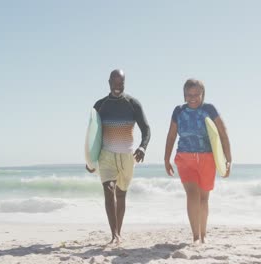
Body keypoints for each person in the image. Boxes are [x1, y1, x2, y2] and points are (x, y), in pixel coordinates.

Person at [86, 69, 150, 244]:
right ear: (108, 82)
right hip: (106, 155)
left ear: (124, 83)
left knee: (121, 194)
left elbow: (146, 129)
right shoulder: (100, 105)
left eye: (120, 83)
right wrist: (90, 159)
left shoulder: (132, 103)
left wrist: (143, 147)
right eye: (114, 83)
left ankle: (118, 233)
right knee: (109, 191)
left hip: (127, 156)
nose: (117, 86)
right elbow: (92, 135)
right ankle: (113, 234)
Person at [164, 78, 232, 244]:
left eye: (196, 94)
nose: (192, 97)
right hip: (185, 157)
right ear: (184, 95)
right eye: (189, 94)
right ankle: (195, 237)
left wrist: (228, 160)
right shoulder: (179, 111)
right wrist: (166, 158)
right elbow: (171, 135)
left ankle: (203, 235)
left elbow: (222, 134)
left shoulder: (209, 109)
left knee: (203, 198)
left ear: (203, 94)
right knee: (192, 194)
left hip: (207, 158)